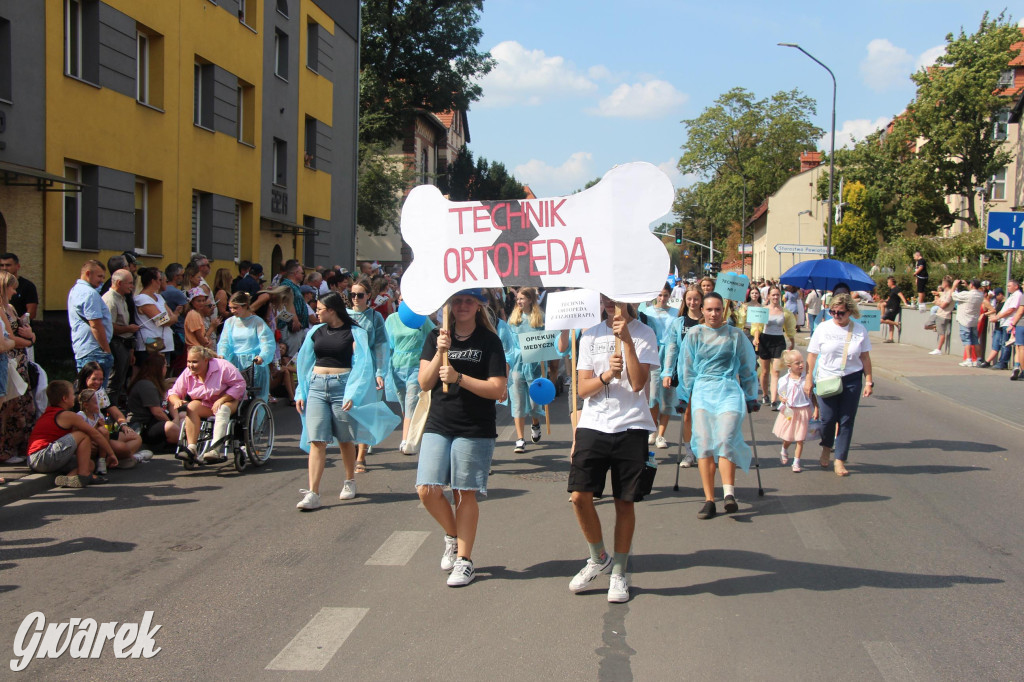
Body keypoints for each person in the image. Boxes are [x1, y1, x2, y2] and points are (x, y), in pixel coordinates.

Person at [567, 295, 659, 602]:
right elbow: (583, 389)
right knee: (580, 496)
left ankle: (619, 571)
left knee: (624, 502)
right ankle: (599, 557)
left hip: (631, 425)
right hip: (594, 424)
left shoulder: (645, 333)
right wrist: (606, 375)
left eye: (616, 297)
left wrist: (628, 342)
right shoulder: (590, 333)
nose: (609, 302)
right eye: (605, 296)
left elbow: (637, 384)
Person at [416, 289, 507, 587]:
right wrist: (440, 351)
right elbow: (425, 382)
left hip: (474, 426)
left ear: (478, 304)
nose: (462, 306)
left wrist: (459, 378)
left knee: (463, 491)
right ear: (449, 305)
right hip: (439, 422)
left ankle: (465, 560)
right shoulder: (436, 337)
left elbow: (497, 389)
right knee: (427, 489)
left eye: (469, 300)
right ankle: (453, 536)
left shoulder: (489, 340)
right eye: (457, 300)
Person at [294, 291, 395, 509]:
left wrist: (353, 393)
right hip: (317, 387)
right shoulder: (315, 332)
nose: (316, 313)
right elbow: (303, 364)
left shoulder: (355, 332)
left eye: (320, 309)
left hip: (342, 386)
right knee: (317, 440)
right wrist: (300, 392)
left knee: (344, 438)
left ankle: (349, 481)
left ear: (332, 310)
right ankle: (313, 492)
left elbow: (362, 364)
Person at [678, 292, 759, 520]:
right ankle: (709, 500)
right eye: (709, 309)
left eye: (717, 309)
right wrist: (684, 396)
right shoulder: (694, 334)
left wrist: (752, 395)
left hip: (728, 390)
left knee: (725, 438)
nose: (714, 313)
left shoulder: (735, 335)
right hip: (703, 390)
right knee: (703, 443)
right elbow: (686, 367)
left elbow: (747, 366)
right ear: (702, 311)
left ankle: (729, 494)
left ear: (723, 310)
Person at [805, 293, 873, 477]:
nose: (836, 315)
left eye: (840, 313)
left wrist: (868, 381)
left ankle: (840, 460)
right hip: (827, 378)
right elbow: (812, 355)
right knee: (827, 419)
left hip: (851, 379)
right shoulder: (823, 328)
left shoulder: (859, 330)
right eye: (833, 311)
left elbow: (865, 357)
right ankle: (826, 447)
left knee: (846, 421)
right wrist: (808, 378)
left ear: (850, 311)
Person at [28, 381, 117, 488]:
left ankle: (69, 478)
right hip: (42, 457)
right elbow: (94, 434)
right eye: (72, 394)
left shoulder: (49, 412)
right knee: (83, 435)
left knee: (89, 464)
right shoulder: (68, 415)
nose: (74, 397)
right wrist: (111, 454)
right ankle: (84, 475)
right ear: (65, 398)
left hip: (37, 460)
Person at [166, 345, 247, 465]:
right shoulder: (188, 373)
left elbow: (240, 384)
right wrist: (176, 400)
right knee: (191, 407)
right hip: (206, 403)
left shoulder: (222, 366)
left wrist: (222, 399)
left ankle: (214, 450)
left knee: (222, 409)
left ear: (205, 360)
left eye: (194, 362)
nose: (190, 365)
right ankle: (192, 448)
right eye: (188, 361)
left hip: (229, 400)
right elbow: (173, 392)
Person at [384, 289, 435, 454]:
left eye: (407, 300)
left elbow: (433, 333)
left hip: (415, 364)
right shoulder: (391, 319)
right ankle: (414, 430)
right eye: (400, 300)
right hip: (396, 366)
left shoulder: (421, 319)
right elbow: (386, 344)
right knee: (404, 403)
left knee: (411, 401)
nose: (403, 303)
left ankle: (407, 440)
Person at [347, 277, 388, 472]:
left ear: (368, 296)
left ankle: (361, 457)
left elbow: (381, 344)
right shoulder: (343, 315)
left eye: (359, 295)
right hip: (347, 367)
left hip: (368, 367)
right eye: (352, 294)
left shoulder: (374, 317)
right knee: (348, 410)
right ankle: (351, 447)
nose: (355, 298)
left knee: (367, 409)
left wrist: (380, 371)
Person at [663, 285, 704, 468]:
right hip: (684, 374)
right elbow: (672, 348)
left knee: (703, 414)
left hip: (705, 374)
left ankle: (703, 449)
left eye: (696, 299)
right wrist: (667, 372)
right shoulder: (679, 323)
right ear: (684, 300)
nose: (693, 302)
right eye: (689, 299)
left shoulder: (707, 321)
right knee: (686, 414)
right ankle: (689, 452)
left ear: (701, 300)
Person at [0, 271, 36, 464]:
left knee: (24, 405)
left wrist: (30, 336)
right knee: (9, 408)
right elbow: (10, 338)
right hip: (10, 360)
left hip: (20, 360)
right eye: (12, 288)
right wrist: (28, 341)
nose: (15, 292)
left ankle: (20, 447)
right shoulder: (0, 309)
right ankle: (5, 449)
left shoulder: (11, 308)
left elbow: (29, 337)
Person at [507, 287, 546, 454]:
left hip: (535, 366)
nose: (519, 301)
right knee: (518, 400)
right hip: (517, 365)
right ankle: (520, 438)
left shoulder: (540, 318)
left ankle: (535, 423)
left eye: (522, 299)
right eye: (518, 299)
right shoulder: (513, 319)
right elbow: (509, 344)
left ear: (531, 299)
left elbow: (546, 341)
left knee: (533, 402)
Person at [218, 292, 276, 401]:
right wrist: (222, 354)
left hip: (253, 363)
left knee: (256, 397)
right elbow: (224, 341)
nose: (232, 311)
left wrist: (262, 356)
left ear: (245, 306)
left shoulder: (257, 321)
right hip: (236, 362)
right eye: (230, 308)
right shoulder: (230, 322)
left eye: (236, 308)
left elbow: (266, 341)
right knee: (234, 395)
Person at [69, 260, 114, 384]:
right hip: (95, 350)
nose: (101, 280)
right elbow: (95, 324)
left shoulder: (75, 290)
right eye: (99, 276)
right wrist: (106, 350)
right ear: (88, 273)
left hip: (84, 349)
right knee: (96, 396)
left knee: (85, 393)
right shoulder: (90, 293)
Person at [751, 286, 796, 409]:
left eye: (777, 295)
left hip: (779, 341)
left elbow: (790, 327)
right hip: (765, 339)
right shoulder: (763, 310)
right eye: (773, 295)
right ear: (769, 296)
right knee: (765, 371)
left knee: (775, 371)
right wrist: (756, 337)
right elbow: (757, 325)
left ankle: (774, 399)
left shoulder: (785, 312)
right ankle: (765, 394)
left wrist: (792, 341)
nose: (775, 297)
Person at [75, 387, 143, 469]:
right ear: (86, 405)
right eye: (96, 403)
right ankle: (126, 458)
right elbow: (82, 432)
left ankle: (111, 459)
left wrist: (123, 425)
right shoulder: (81, 416)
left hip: (103, 439)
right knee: (121, 447)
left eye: (101, 379)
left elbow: (115, 417)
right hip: (92, 441)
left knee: (136, 437)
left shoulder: (98, 414)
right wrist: (97, 426)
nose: (99, 406)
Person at [126, 352, 183, 448]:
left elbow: (169, 402)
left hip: (156, 421)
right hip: (144, 426)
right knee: (170, 427)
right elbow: (157, 412)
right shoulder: (146, 385)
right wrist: (171, 422)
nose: (166, 368)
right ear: (158, 368)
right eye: (165, 366)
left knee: (183, 416)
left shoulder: (157, 383)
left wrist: (176, 418)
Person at [773, 350, 815, 473]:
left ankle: (796, 462)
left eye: (802, 362)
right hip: (790, 411)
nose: (801, 365)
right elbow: (781, 394)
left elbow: (812, 395)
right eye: (797, 363)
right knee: (789, 437)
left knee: (800, 439)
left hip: (803, 410)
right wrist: (782, 398)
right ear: (789, 366)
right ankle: (784, 449)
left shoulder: (806, 379)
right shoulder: (785, 380)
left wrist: (816, 408)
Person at [644, 284, 676, 449]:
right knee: (653, 395)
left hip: (671, 355)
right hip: (654, 355)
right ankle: (653, 429)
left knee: (667, 396)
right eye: (660, 295)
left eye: (666, 295)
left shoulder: (676, 313)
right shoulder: (648, 312)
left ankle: (662, 435)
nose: (663, 298)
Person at [102, 269, 139, 406]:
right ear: (119, 283)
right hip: (115, 344)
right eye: (129, 283)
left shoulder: (122, 297)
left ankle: (113, 410)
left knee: (119, 381)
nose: (132, 286)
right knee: (114, 381)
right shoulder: (110, 299)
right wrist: (128, 329)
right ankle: (109, 412)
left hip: (124, 344)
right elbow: (108, 327)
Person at [135, 268, 179, 366]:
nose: (162, 282)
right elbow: (162, 320)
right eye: (160, 280)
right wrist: (173, 317)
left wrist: (172, 317)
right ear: (153, 281)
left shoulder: (158, 296)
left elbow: (170, 315)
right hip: (151, 345)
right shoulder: (142, 299)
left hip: (164, 345)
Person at [982, 281, 1019, 370]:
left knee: (1005, 344)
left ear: (1016, 286)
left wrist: (997, 317)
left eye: (1010, 286)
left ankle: (1003, 362)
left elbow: (1010, 310)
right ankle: (1001, 361)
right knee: (1002, 344)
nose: (1008, 288)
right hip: (1003, 323)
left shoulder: (1017, 295)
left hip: (1008, 323)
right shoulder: (1012, 296)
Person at [0, 252, 39, 319]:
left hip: (19, 326)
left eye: (8, 265)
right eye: (1, 265)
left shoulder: (27, 286)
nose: (4, 268)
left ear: (17, 266)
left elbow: (31, 312)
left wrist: (18, 323)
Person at [183, 287, 218, 352]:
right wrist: (207, 343)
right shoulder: (193, 314)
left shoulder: (196, 314)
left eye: (203, 300)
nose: (202, 303)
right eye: (199, 301)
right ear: (192, 302)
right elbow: (199, 336)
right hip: (196, 349)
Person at [879, 276, 908, 343]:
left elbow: (901, 295)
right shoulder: (891, 290)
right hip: (890, 307)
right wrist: (884, 301)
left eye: (888, 282)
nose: (887, 283)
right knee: (890, 323)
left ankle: (897, 323)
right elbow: (889, 299)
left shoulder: (896, 289)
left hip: (893, 308)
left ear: (892, 282)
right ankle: (891, 338)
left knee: (882, 320)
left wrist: (905, 302)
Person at [929, 276, 954, 355]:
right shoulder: (945, 292)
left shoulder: (950, 293)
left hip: (944, 315)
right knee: (926, 325)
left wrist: (937, 302)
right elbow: (941, 295)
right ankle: (935, 326)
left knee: (941, 333)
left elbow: (943, 305)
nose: (942, 284)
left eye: (943, 282)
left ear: (946, 284)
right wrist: (937, 294)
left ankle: (938, 349)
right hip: (938, 313)